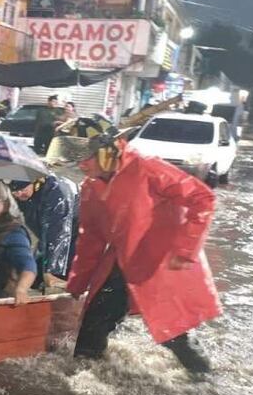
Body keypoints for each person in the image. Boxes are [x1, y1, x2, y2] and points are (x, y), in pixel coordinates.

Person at [66, 130, 219, 377]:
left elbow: (202, 198)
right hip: (120, 261)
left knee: (173, 333)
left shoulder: (147, 168)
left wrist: (185, 248)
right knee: (92, 326)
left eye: (87, 158)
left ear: (106, 154)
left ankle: (205, 379)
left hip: (160, 263)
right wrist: (77, 282)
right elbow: (90, 239)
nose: (81, 165)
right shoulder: (90, 188)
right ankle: (82, 378)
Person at [10, 173, 79, 289]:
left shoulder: (57, 193)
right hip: (47, 236)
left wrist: (51, 271)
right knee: (32, 275)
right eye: (15, 192)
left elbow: (57, 232)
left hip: (75, 235)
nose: (19, 194)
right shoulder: (19, 195)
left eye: (22, 189)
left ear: (35, 182)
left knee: (58, 277)